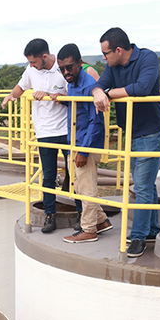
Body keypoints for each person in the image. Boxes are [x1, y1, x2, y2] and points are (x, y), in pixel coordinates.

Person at [92, 27, 160, 258]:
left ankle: (138, 237)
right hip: (132, 134)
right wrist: (98, 91)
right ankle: (152, 230)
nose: (104, 58)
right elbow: (99, 85)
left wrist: (108, 93)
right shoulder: (112, 66)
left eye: (106, 54)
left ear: (118, 50)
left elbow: (142, 89)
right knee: (146, 185)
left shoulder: (147, 57)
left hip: (152, 132)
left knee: (142, 187)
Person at [1, 38, 68, 233]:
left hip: (65, 129)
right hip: (44, 131)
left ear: (45, 57)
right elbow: (20, 88)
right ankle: (50, 215)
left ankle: (80, 212)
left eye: (34, 62)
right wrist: (11, 95)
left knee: (75, 173)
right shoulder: (31, 71)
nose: (31, 66)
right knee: (48, 175)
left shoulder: (62, 68)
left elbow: (73, 94)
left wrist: (55, 96)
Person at [54, 43, 113, 243]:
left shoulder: (88, 85)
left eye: (69, 67)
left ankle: (89, 229)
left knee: (86, 188)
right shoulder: (73, 83)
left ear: (80, 63)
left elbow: (95, 121)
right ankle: (102, 221)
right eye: (61, 69)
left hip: (85, 144)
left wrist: (83, 151)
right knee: (78, 185)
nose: (65, 72)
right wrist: (63, 99)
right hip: (75, 141)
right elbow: (77, 107)